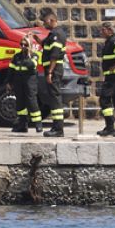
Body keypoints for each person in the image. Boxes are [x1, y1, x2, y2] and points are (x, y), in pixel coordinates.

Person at [38, 9, 67, 137]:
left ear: (51, 20)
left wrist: (49, 72)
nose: (44, 25)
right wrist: (34, 37)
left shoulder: (57, 35)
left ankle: (58, 128)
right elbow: (44, 45)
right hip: (52, 70)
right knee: (53, 97)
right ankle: (56, 127)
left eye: (45, 22)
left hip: (54, 70)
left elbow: (54, 56)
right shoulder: (52, 34)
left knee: (55, 98)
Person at [96, 22, 115, 137]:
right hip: (112, 76)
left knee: (104, 100)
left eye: (103, 30)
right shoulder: (109, 42)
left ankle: (110, 126)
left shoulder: (114, 41)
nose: (101, 32)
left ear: (109, 30)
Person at [8, 35, 43, 133]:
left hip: (29, 82)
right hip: (18, 82)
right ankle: (22, 125)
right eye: (21, 44)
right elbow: (11, 70)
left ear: (30, 45)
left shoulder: (34, 56)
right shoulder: (16, 56)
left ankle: (38, 124)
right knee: (20, 104)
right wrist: (8, 82)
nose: (23, 46)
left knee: (32, 103)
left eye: (25, 45)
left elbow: (31, 65)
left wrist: (28, 54)